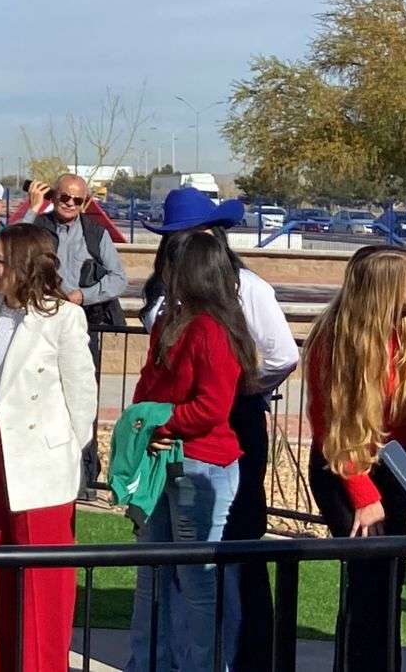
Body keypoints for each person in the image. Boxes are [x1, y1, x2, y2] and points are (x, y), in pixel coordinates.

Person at [139, 188, 298, 670]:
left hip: (227, 429)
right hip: (175, 436)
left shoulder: (246, 290)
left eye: (182, 237)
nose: (174, 247)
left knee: (230, 551)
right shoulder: (168, 298)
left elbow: (283, 355)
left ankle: (242, 657)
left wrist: (239, 386)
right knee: (166, 563)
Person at [0, 223, 96, 672]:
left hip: (39, 459)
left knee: (43, 578)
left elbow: (82, 400)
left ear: (23, 265)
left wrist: (62, 452)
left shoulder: (63, 318)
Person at [124, 230, 255, 672]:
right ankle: (148, 662)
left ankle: (201, 666)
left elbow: (212, 407)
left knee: (196, 580)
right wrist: (145, 424)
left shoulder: (212, 331)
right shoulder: (169, 322)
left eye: (171, 265)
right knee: (151, 574)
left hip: (203, 464)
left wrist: (163, 423)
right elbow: (148, 384)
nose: (163, 273)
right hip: (163, 460)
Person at [305, 243, 406, 672]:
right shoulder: (333, 340)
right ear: (383, 296)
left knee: (391, 579)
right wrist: (363, 494)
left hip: (404, 458)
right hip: (346, 460)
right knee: (368, 581)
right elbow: (331, 427)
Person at [25, 173, 126, 497]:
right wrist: (32, 209)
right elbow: (12, 252)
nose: (69, 203)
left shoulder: (96, 234)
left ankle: (84, 475)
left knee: (81, 400)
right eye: (63, 197)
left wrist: (84, 295)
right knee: (40, 398)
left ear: (86, 203)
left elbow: (119, 278)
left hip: (82, 328)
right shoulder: (37, 227)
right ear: (54, 196)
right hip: (39, 326)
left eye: (76, 199)